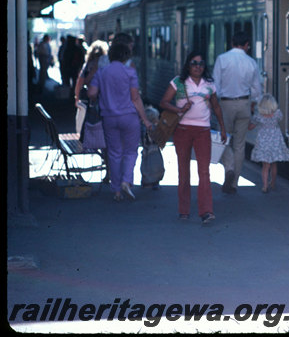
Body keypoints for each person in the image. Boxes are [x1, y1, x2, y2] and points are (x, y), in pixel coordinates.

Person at [160, 52, 227, 224]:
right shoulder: (179, 82)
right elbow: (164, 102)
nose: (198, 66)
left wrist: (223, 128)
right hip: (182, 130)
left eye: (201, 63)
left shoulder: (209, 84)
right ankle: (184, 210)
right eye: (194, 63)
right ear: (188, 65)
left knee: (204, 172)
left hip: (203, 131)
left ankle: (206, 211)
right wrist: (179, 110)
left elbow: (216, 107)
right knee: (183, 171)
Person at [88, 39, 153, 202]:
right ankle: (126, 181)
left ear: (110, 56)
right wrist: (145, 119)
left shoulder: (101, 72)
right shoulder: (129, 72)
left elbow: (91, 93)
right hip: (129, 117)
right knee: (130, 151)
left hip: (109, 117)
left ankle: (116, 191)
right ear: (126, 56)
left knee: (114, 153)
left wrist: (102, 95)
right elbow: (135, 97)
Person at [212, 31, 263, 194]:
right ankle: (234, 184)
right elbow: (257, 90)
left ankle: (229, 168)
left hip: (225, 104)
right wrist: (253, 105)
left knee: (222, 139)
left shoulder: (222, 59)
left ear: (232, 42)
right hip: (244, 104)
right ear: (247, 45)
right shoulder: (251, 62)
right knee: (240, 145)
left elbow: (215, 86)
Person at [248, 94, 289, 193]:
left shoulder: (258, 116)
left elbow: (250, 128)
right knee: (274, 164)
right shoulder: (278, 114)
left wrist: (251, 114)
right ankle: (273, 183)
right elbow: (280, 119)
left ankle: (265, 186)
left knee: (265, 166)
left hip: (263, 141)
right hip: (275, 140)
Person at [75, 40, 109, 133]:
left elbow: (81, 82)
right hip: (105, 96)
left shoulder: (87, 64)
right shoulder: (107, 64)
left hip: (91, 97)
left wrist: (77, 98)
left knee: (92, 120)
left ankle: (92, 140)